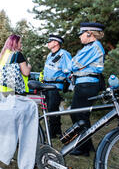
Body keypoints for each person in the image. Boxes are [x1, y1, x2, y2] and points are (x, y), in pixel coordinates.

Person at [68, 22, 106, 156]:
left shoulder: (93, 47)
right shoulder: (90, 47)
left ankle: (83, 148)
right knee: (80, 114)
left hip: (87, 84)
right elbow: (76, 65)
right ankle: (87, 146)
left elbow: (72, 64)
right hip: (84, 83)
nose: (79, 36)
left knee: (79, 114)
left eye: (81, 33)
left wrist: (76, 66)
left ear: (89, 33)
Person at [43, 34, 72, 138]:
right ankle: (56, 131)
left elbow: (69, 70)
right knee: (50, 109)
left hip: (56, 86)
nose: (48, 43)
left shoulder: (64, 54)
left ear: (56, 43)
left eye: (50, 41)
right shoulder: (49, 55)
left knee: (52, 108)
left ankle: (54, 132)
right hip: (46, 86)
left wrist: (69, 84)